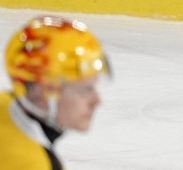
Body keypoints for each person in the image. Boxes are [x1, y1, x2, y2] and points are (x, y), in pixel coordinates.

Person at [2, 15, 110, 169]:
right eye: (85, 90)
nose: (97, 101)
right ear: (44, 90)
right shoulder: (34, 164)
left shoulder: (6, 101)